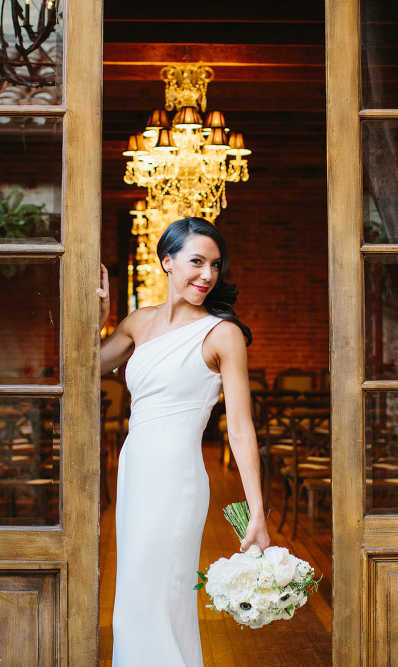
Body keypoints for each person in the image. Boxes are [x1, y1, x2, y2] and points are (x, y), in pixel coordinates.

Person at [98, 217, 270, 666]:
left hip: (177, 478)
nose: (208, 275)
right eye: (197, 261)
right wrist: (98, 320)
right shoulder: (137, 323)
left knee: (162, 600)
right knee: (134, 600)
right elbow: (85, 368)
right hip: (136, 473)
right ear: (166, 262)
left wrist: (256, 512)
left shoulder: (223, 334)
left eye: (215, 265)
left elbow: (240, 427)